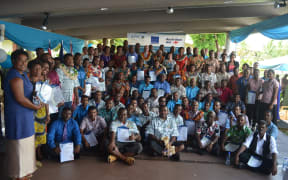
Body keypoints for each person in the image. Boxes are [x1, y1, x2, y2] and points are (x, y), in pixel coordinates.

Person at [4, 50, 43, 180]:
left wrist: (36, 99)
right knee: (18, 144)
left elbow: (29, 91)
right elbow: (20, 98)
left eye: (26, 60)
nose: (24, 63)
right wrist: (36, 106)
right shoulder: (14, 77)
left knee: (26, 144)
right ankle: (18, 174)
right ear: (13, 61)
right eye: (21, 60)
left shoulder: (23, 75)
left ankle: (26, 171)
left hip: (26, 115)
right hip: (17, 116)